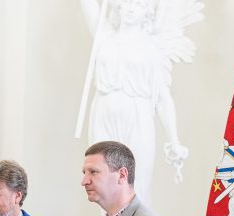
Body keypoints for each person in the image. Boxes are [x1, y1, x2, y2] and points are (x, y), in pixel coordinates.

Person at [79, 0, 201, 200]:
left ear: (147, 11)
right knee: (102, 184)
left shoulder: (150, 50)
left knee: (137, 183)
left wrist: (174, 140)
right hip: (103, 114)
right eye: (126, 3)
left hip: (137, 117)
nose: (130, 8)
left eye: (137, 4)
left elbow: (162, 98)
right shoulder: (105, 35)